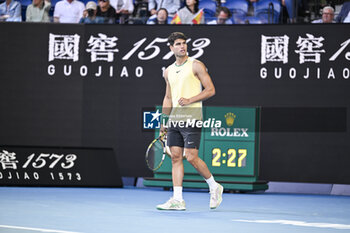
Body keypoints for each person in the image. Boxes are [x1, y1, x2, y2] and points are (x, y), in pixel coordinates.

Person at [156, 32, 223, 211]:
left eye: (184, 43)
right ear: (171, 48)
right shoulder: (168, 71)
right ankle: (178, 199)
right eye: (178, 44)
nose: (182, 46)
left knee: (191, 156)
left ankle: (214, 186)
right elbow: (168, 97)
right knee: (176, 157)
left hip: (192, 117)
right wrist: (164, 120)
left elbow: (210, 90)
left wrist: (191, 99)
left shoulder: (196, 65)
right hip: (174, 119)